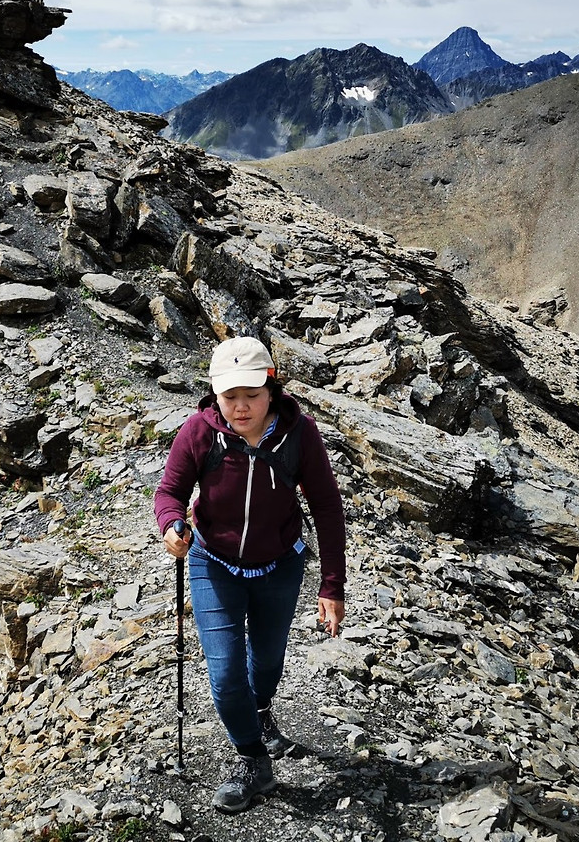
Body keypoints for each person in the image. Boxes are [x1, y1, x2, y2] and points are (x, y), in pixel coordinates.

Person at [154, 335, 347, 813]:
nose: (241, 407)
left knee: (266, 662)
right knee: (223, 673)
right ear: (216, 394)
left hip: (280, 565)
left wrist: (332, 584)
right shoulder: (199, 432)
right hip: (212, 562)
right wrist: (171, 524)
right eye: (229, 396)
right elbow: (170, 490)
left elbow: (325, 505)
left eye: (251, 394)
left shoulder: (300, 433)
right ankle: (252, 761)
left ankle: (260, 715)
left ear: (271, 385)